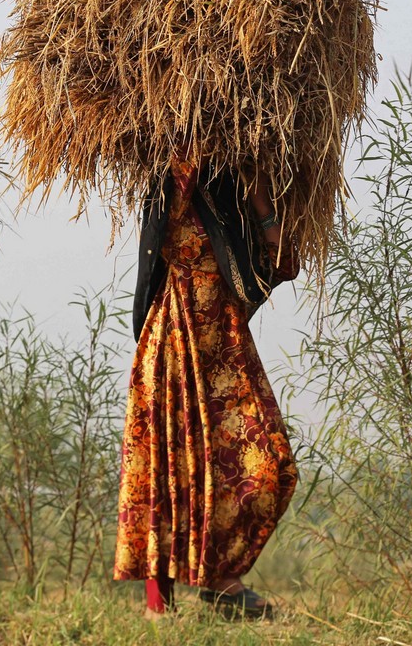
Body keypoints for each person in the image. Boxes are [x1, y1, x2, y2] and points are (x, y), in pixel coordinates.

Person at [113, 156, 299, 620]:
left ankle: (219, 578)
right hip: (174, 338)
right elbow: (172, 206)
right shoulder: (169, 183)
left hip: (224, 342)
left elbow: (282, 265)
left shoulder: (232, 188)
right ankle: (163, 605)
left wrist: (266, 208)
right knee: (167, 464)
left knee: (270, 464)